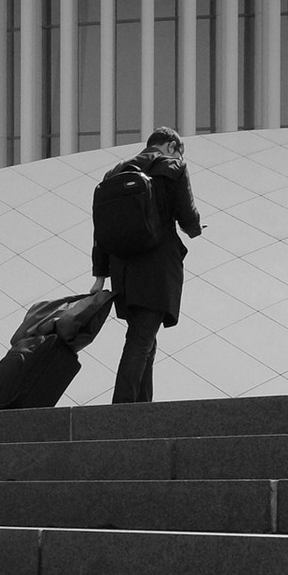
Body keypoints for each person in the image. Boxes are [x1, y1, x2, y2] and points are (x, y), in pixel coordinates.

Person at [89, 126, 204, 403]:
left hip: (123, 271)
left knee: (145, 337)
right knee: (140, 340)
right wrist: (195, 229)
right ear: (171, 146)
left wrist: (100, 276)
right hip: (157, 267)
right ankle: (123, 408)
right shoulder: (172, 167)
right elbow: (187, 215)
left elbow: (101, 230)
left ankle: (143, 408)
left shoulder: (113, 175)